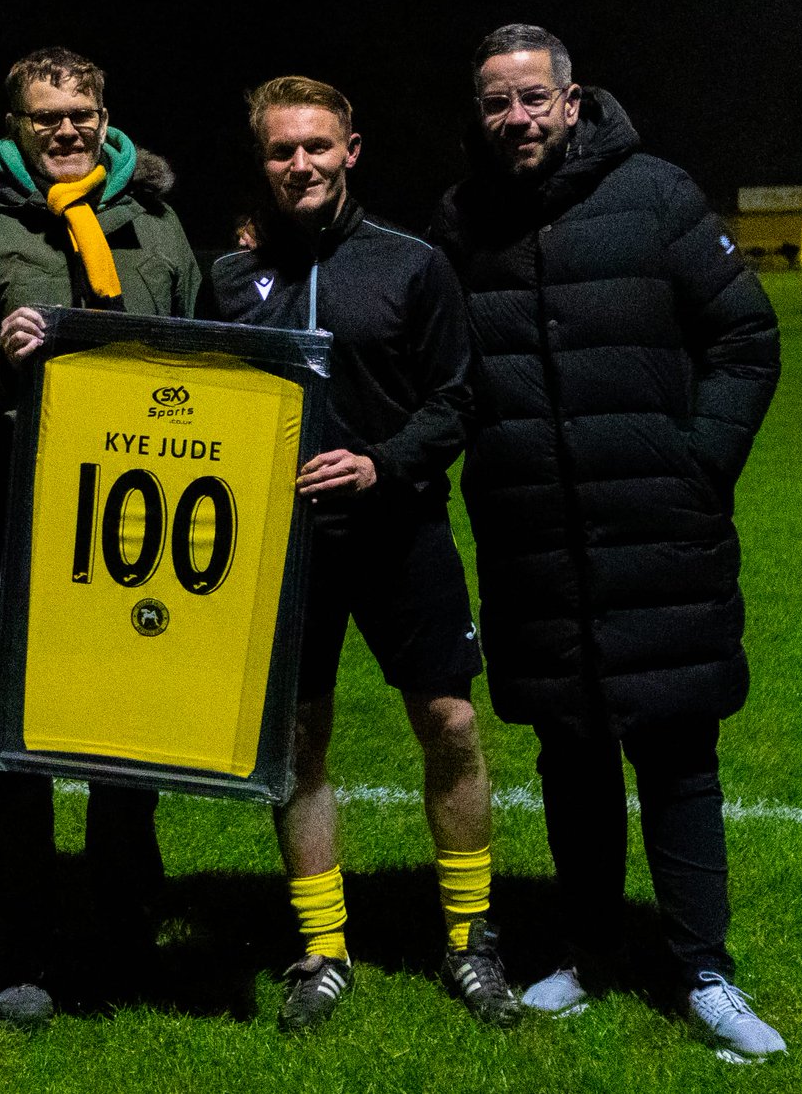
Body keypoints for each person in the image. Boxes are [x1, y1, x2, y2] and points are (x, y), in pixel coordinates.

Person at [429, 24, 785, 1063]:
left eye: (534, 98)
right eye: (497, 101)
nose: (517, 118)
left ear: (573, 101)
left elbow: (745, 337)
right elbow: (435, 366)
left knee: (678, 755)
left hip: (658, 533)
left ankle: (704, 971)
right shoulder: (463, 219)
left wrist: (696, 464)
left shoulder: (659, 195)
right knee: (571, 758)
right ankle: (580, 952)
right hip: (535, 544)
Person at [210, 76, 519, 1031]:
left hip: (401, 532)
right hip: (280, 547)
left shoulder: (413, 265)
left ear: (352, 150)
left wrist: (381, 463)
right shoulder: (228, 279)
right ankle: (322, 947)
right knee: (299, 742)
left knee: (454, 725)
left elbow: (458, 398)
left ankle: (472, 939)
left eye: (316, 146)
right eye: (279, 151)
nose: (299, 163)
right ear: (260, 162)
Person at [0, 46, 200, 1027]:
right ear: (15, 125)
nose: (68, 130)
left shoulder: (157, 222)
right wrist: (0, 359)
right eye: (46, 117)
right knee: (21, 742)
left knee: (129, 733)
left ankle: (122, 934)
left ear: (104, 112)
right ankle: (18, 946)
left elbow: (205, 360)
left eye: (82, 111)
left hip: (142, 521)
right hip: (28, 518)